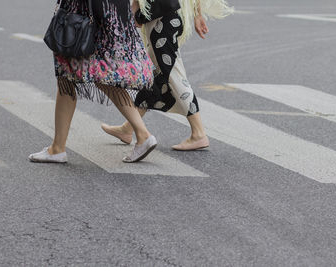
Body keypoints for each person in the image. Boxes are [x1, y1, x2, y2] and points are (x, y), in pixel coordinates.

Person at [29, 0, 158, 163]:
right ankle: (57, 147)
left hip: (86, 14)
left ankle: (142, 134)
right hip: (112, 11)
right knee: (94, 76)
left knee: (71, 76)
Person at [101, 0, 233, 151]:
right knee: (154, 77)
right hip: (169, 17)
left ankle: (199, 133)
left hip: (162, 21)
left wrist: (134, 10)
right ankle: (128, 129)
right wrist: (197, 15)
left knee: (174, 76)